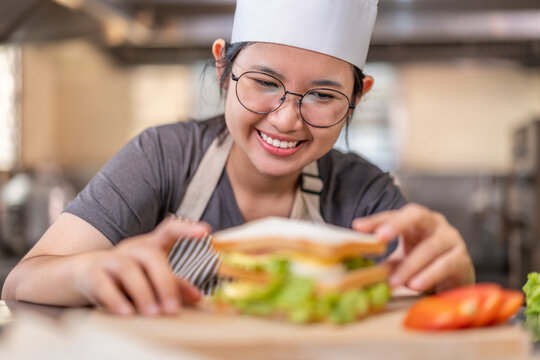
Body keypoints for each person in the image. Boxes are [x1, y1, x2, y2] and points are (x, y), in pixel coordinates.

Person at [1, 0, 474, 316]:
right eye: (264, 83)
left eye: (323, 95)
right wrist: (86, 272)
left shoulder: (365, 194)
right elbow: (20, 282)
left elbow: (420, 308)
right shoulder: (165, 157)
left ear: (358, 96)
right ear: (225, 69)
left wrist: (454, 282)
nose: (287, 120)